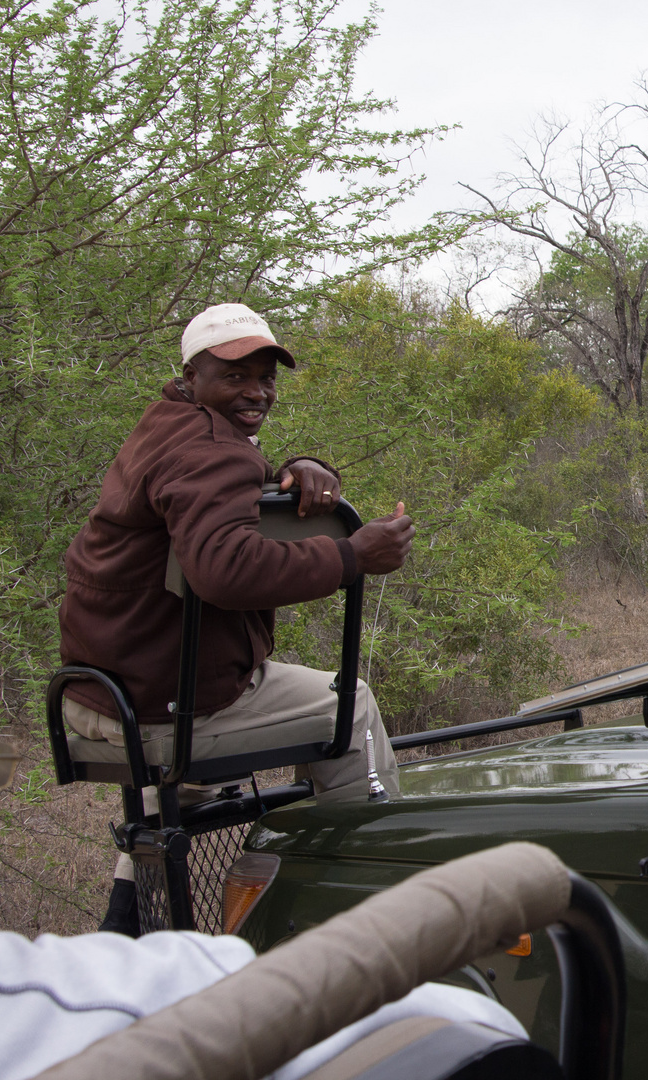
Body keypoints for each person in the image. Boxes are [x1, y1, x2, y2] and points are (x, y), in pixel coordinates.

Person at [58, 302, 416, 931]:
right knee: (350, 704)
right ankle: (379, 902)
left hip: (101, 696)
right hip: (163, 708)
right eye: (235, 376)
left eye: (266, 377)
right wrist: (351, 555)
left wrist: (295, 468)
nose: (256, 391)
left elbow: (213, 492)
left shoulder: (165, 424)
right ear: (192, 375)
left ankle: (126, 925)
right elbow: (223, 569)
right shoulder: (209, 449)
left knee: (177, 791)